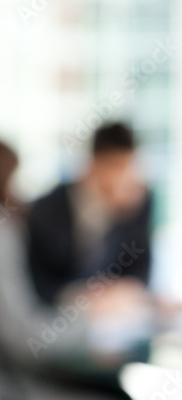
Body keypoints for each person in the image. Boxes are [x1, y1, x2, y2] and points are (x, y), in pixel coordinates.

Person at [0, 140, 135, 400]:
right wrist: (86, 324)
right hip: (13, 397)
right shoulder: (9, 230)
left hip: (19, 382)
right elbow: (26, 338)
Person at [26, 121, 152, 304]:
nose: (127, 177)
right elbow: (38, 281)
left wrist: (124, 290)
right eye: (117, 166)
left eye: (131, 166)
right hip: (60, 316)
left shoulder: (139, 202)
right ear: (94, 163)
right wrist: (79, 297)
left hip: (115, 314)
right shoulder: (47, 209)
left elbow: (141, 270)